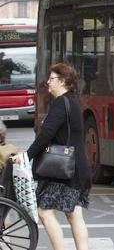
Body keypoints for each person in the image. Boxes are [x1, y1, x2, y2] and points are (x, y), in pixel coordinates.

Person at [13, 62, 92, 250]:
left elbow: (46, 134)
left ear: (63, 81)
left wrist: (26, 156)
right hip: (78, 167)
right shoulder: (72, 101)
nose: (48, 82)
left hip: (65, 170)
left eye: (52, 78)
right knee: (74, 215)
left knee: (45, 212)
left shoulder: (60, 103)